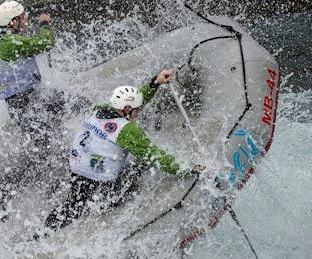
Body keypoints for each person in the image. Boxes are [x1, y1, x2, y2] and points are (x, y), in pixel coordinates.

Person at [44, 69, 204, 231]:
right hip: (101, 180)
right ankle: (115, 215)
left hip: (77, 168)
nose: (138, 111)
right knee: (142, 167)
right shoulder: (126, 130)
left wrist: (155, 82)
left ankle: (44, 231)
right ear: (127, 109)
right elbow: (156, 157)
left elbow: (135, 100)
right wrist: (189, 167)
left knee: (73, 205)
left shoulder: (98, 110)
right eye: (136, 109)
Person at [0, 0, 60, 148]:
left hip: (23, 101)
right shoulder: (10, 42)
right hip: (25, 101)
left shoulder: (1, 42)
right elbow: (46, 42)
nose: (26, 19)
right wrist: (44, 25)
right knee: (44, 143)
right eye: (22, 17)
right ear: (13, 23)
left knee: (71, 106)